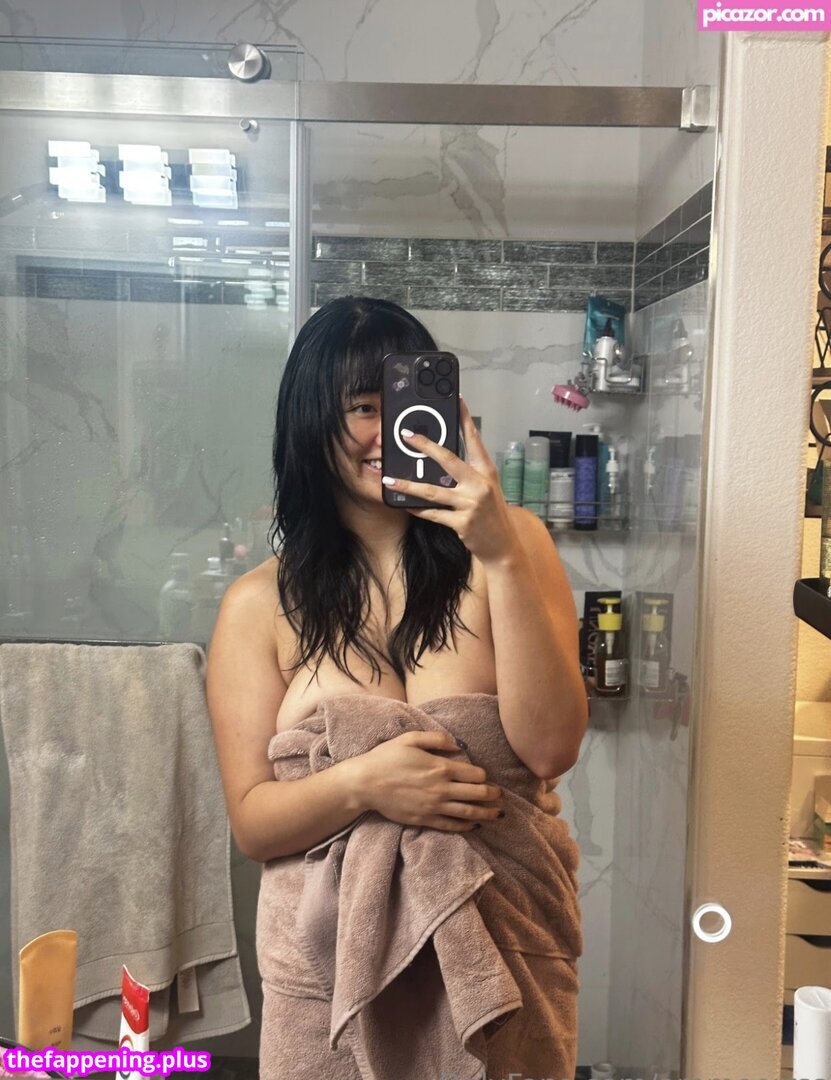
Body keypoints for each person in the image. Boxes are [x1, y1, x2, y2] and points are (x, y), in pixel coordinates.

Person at [206, 296, 588, 1079]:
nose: (391, 432)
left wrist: (499, 554)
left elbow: (551, 747)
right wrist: (365, 784)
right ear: (312, 421)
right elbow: (253, 823)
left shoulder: (515, 546)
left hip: (505, 948)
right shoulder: (258, 603)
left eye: (407, 403)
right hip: (325, 975)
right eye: (362, 407)